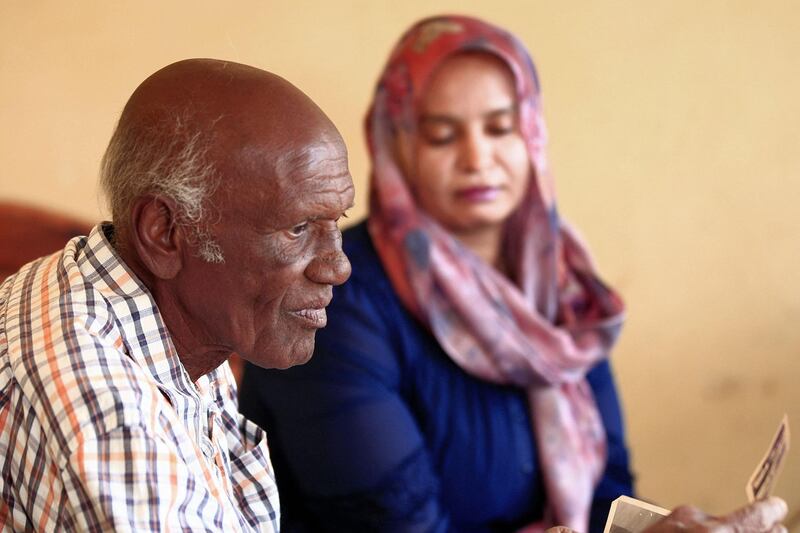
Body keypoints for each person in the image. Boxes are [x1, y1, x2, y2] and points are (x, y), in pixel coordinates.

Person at [238, 15, 789, 533]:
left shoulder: (562, 286)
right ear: (396, 142)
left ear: (533, 136)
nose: (478, 158)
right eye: (442, 135)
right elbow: (397, 524)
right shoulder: (335, 295)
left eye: (501, 128)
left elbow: (609, 493)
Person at [0, 58, 354, 531]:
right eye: (297, 228)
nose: (338, 266)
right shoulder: (117, 436)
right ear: (165, 232)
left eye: (338, 222)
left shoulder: (128, 297)